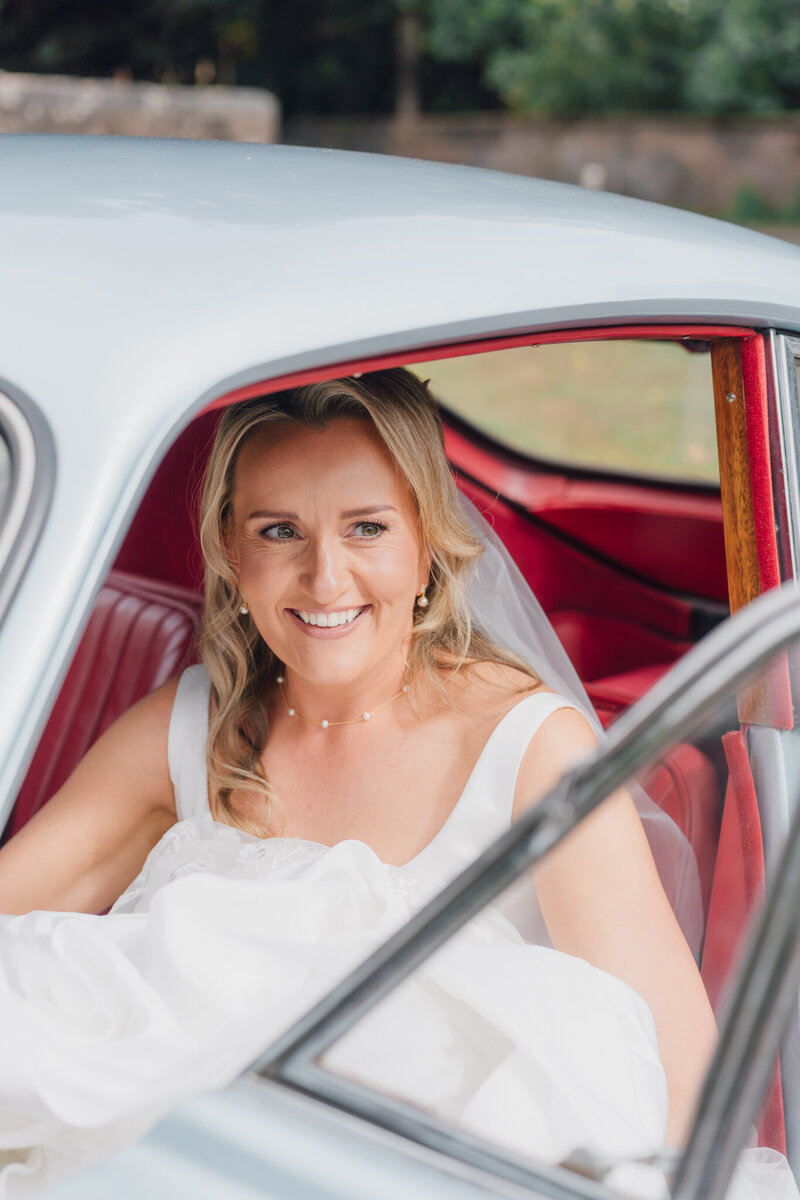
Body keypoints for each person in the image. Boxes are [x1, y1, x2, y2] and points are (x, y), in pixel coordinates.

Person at [0, 368, 752, 1195]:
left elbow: (682, 1088)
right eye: (281, 531)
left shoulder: (531, 751)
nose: (326, 580)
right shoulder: (183, 732)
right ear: (230, 553)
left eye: (366, 529)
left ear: (426, 542)